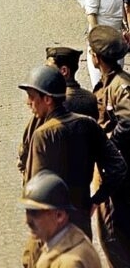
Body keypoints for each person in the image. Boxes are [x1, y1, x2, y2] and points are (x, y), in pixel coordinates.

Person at [17, 64, 126, 252]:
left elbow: (33, 189)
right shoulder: (89, 125)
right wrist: (95, 200)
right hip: (81, 226)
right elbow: (118, 167)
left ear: (48, 99)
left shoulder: (42, 135)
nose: (28, 103)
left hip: (50, 233)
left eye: (32, 97)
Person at [88, 25, 130, 267]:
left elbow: (128, 121)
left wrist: (109, 146)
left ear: (96, 57)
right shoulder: (109, 82)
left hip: (118, 171)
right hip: (114, 168)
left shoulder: (120, 86)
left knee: (113, 236)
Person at [19, 170, 101, 268]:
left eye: (35, 213)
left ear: (59, 216)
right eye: (27, 211)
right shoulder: (59, 242)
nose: (27, 221)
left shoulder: (69, 263)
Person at [76, 0, 127, 88]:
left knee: (116, 77)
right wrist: (96, 37)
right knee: (101, 80)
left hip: (116, 37)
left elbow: (119, 9)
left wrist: (124, 26)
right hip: (103, 36)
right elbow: (91, 13)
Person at [45, 46, 98, 119]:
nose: (45, 72)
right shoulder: (91, 98)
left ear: (64, 71)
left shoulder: (54, 101)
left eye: (49, 68)